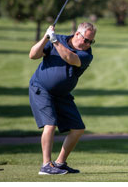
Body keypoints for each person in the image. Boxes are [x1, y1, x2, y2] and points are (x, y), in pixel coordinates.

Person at [28, 22, 96, 175]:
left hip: (62, 94)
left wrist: (54, 41)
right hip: (41, 89)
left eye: (91, 41)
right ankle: (46, 165)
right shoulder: (56, 39)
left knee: (78, 128)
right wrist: (46, 38)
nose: (87, 44)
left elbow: (70, 58)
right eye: (86, 40)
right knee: (50, 124)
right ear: (77, 34)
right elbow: (33, 55)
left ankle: (59, 163)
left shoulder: (87, 54)